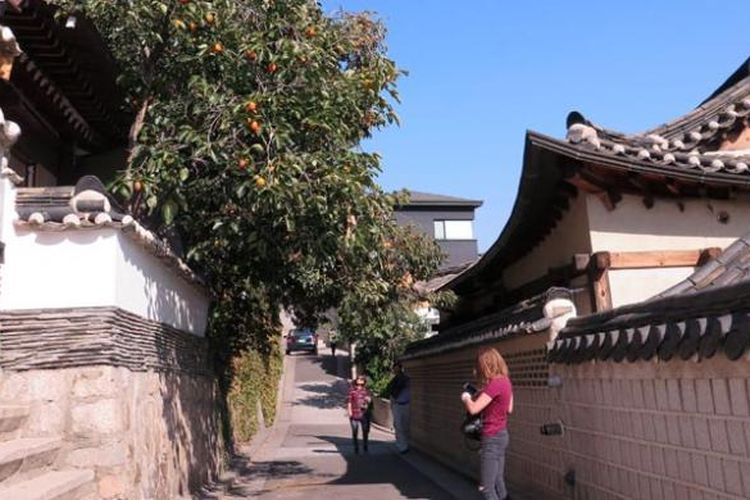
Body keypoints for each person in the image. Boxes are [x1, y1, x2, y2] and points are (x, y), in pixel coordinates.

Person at [461, 347, 514, 500]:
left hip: (491, 437)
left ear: (486, 365)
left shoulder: (495, 384)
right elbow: (509, 409)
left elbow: (473, 408)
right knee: (498, 482)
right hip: (502, 435)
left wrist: (466, 397)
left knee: (487, 488)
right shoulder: (506, 381)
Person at [384, 361, 410, 453]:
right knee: (398, 426)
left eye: (397, 368)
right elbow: (391, 393)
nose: (395, 370)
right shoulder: (394, 381)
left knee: (405, 425)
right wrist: (392, 404)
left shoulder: (407, 379)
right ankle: (402, 446)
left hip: (406, 404)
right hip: (397, 405)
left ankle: (405, 443)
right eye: (394, 368)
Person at [347, 375, 372, 454]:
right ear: (356, 382)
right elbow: (349, 402)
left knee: (365, 431)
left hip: (364, 414)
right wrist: (349, 412)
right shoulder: (352, 390)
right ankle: (356, 446)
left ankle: (365, 445)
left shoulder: (367, 390)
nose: (359, 386)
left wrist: (368, 401)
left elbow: (370, 401)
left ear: (364, 382)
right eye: (358, 384)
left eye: (361, 384)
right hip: (354, 413)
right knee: (355, 431)